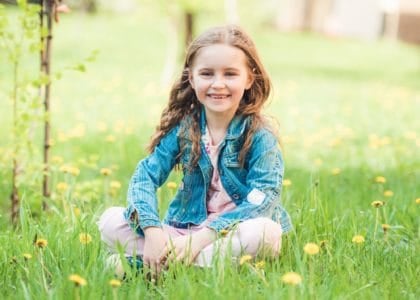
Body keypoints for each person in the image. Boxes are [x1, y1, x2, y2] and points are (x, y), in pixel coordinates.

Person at [98, 25, 292, 277]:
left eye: (230, 74)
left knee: (266, 233)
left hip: (229, 232)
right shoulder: (184, 129)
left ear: (248, 79)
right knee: (110, 220)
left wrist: (200, 240)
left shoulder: (260, 137)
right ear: (192, 78)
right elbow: (145, 176)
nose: (218, 84)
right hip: (181, 232)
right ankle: (198, 264)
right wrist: (152, 230)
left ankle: (154, 266)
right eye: (207, 74)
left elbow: (263, 199)